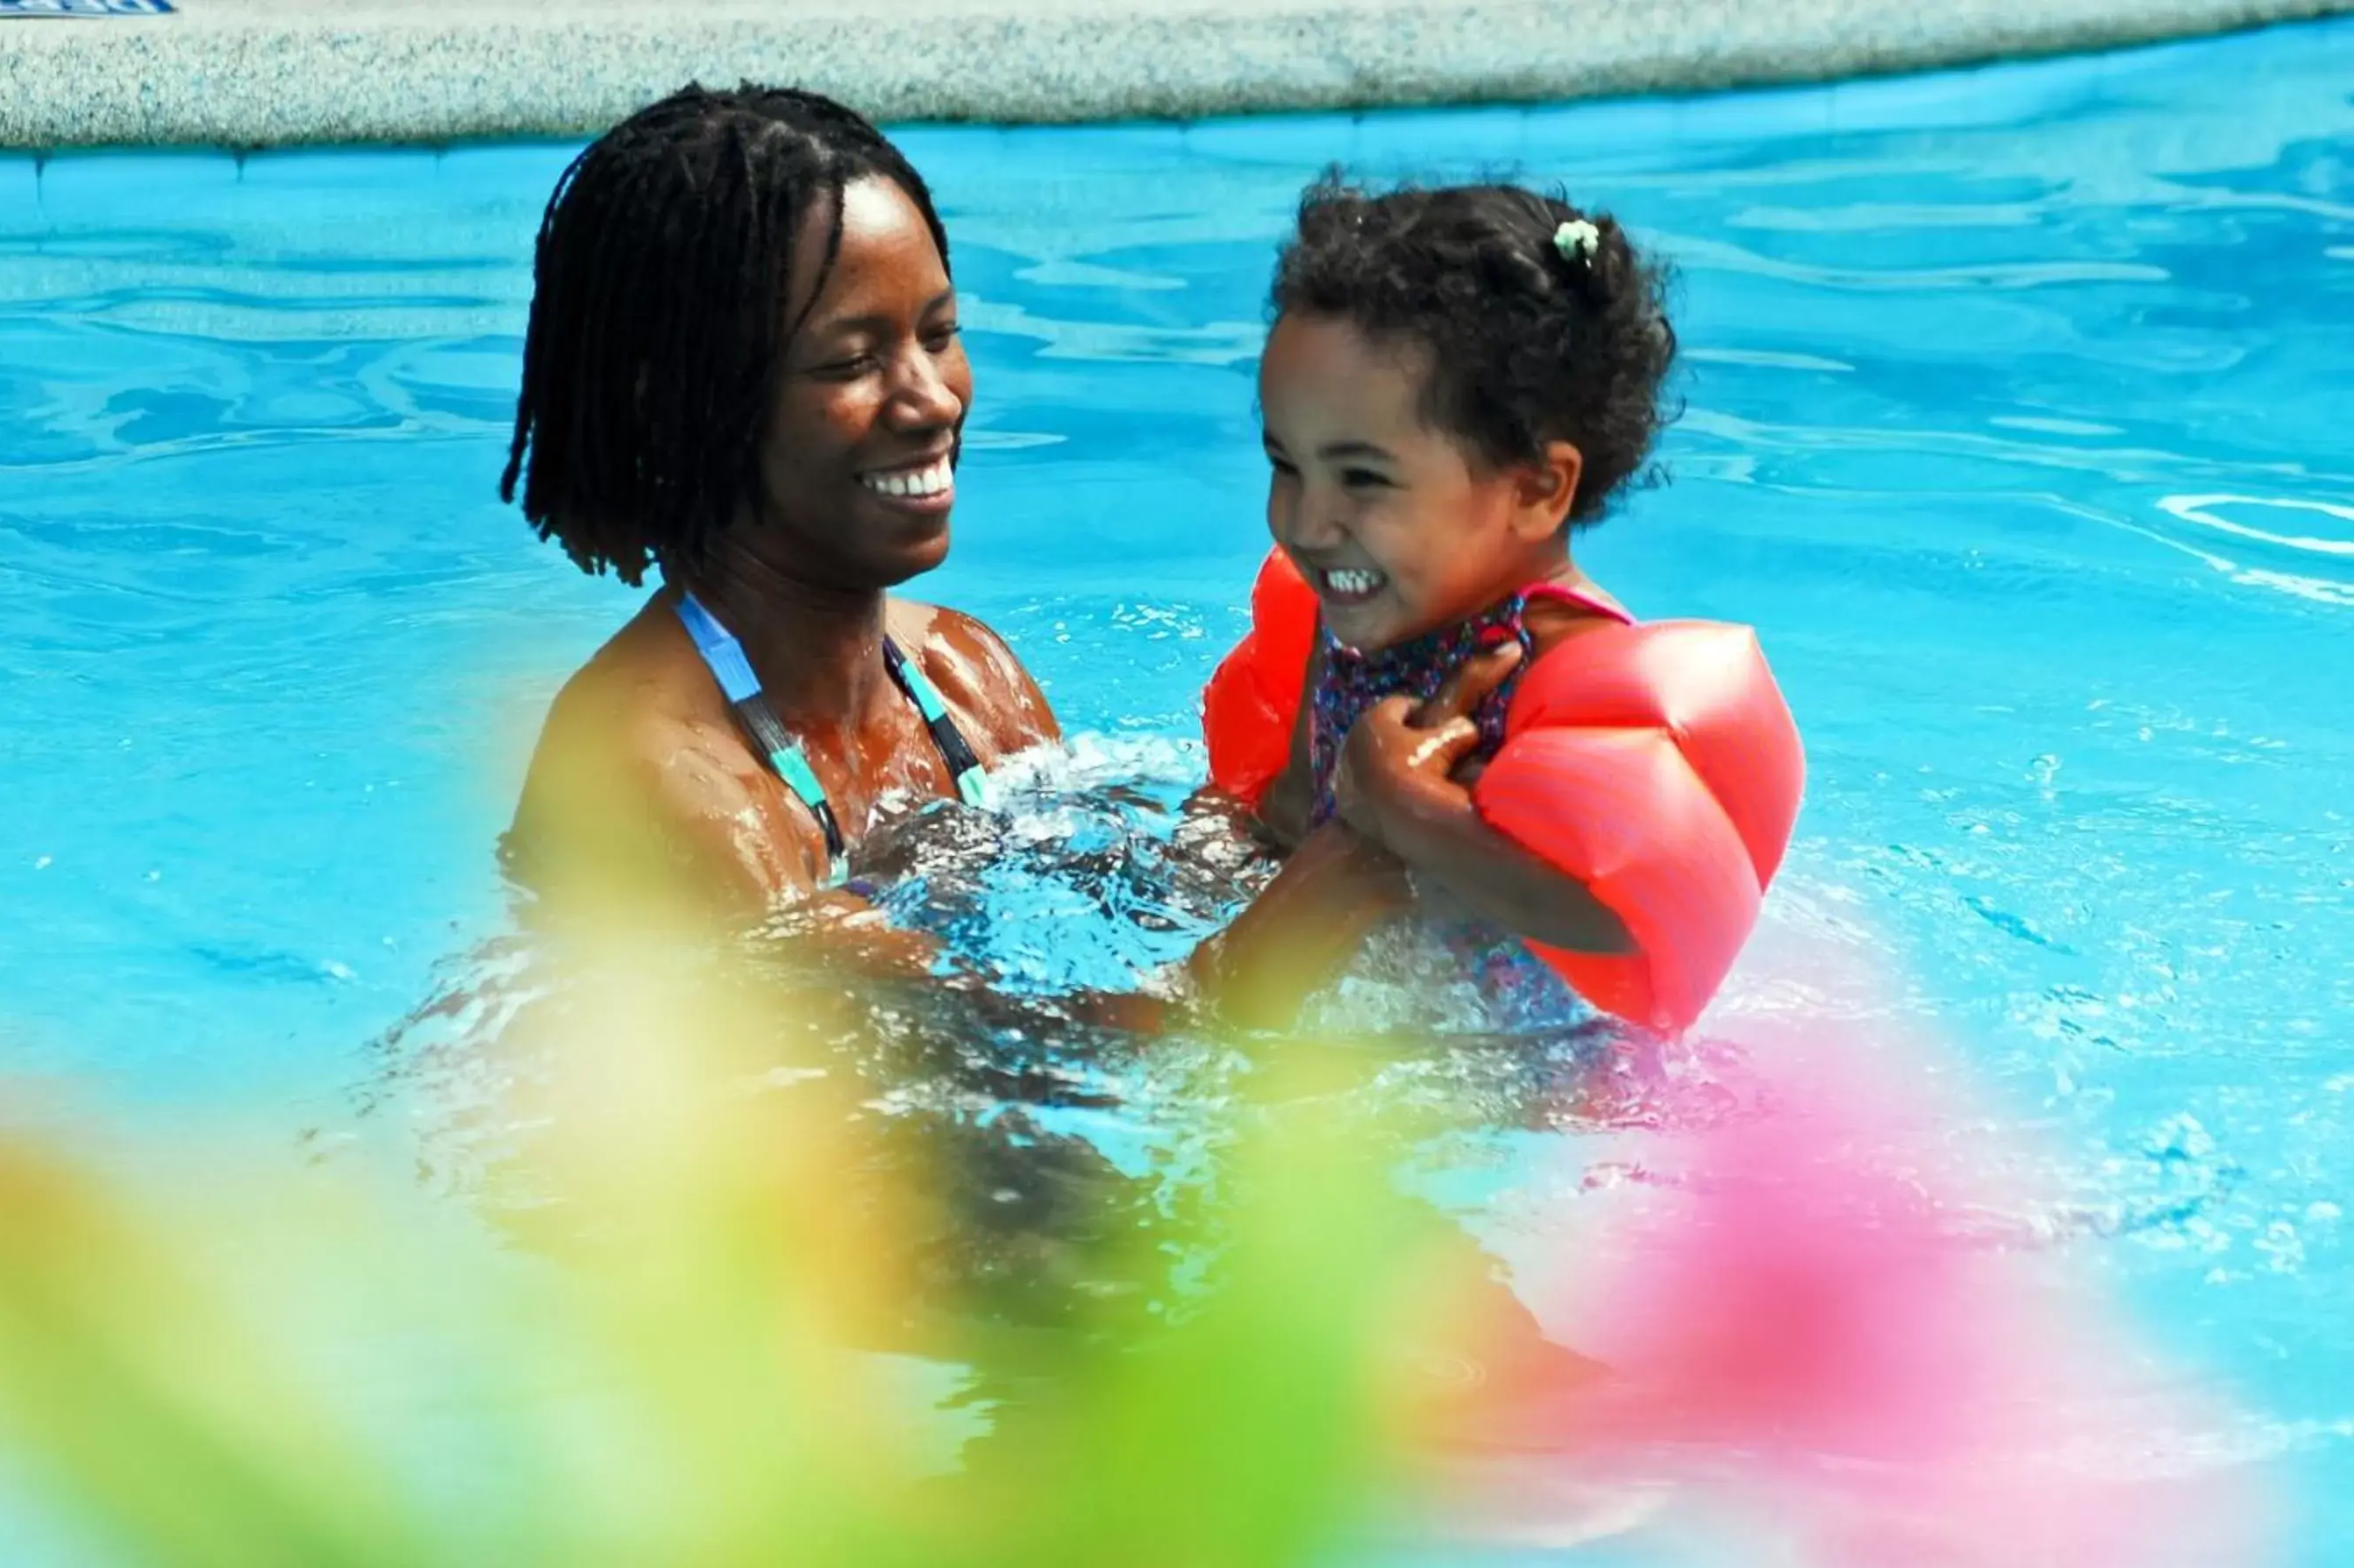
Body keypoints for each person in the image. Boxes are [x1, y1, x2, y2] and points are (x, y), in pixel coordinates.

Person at [1190, 176, 1801, 1032]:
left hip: (1529, 1087)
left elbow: (1624, 920)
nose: (1306, 519)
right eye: (1286, 463)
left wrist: (1409, 809)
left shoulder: (1567, 674)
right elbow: (1296, 807)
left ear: (1539, 490)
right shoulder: (1364, 618)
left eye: (1363, 478)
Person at [497, 84, 1059, 954]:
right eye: (853, 360)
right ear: (681, 404)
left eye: (939, 334)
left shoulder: (965, 674)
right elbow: (1024, 1061)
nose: (932, 399)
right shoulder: (658, 776)